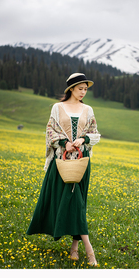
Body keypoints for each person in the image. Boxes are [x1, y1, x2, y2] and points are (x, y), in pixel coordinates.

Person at [26, 73, 101, 266]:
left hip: (81, 162)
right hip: (61, 162)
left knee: (79, 202)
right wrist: (63, 142)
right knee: (71, 201)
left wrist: (83, 139)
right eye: (80, 89)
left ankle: (77, 247)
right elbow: (50, 131)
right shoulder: (57, 108)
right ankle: (89, 251)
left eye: (86, 89)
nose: (83, 92)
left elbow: (94, 133)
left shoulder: (88, 109)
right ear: (71, 89)